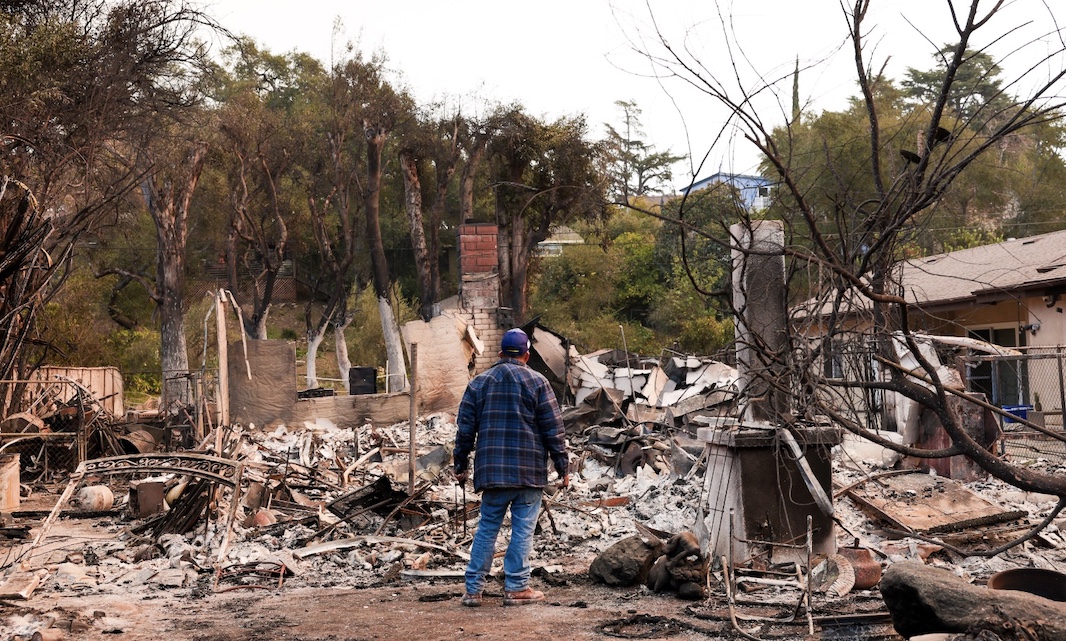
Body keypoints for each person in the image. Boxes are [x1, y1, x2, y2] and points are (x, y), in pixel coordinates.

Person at [453, 328, 569, 607]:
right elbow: (554, 430)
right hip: (528, 473)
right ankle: (516, 587)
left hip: (492, 472)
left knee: (487, 529)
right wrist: (563, 466)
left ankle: (473, 591)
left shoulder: (478, 384)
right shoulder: (539, 383)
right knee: (522, 530)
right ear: (527, 355)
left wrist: (460, 465)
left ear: (501, 353)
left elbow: (465, 431)